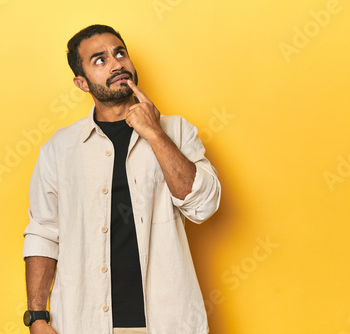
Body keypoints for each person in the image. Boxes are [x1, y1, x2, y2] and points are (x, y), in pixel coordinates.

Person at [22, 24, 221, 334]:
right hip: (82, 321)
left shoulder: (177, 131)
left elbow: (203, 206)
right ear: (82, 82)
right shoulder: (59, 149)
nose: (116, 64)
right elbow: (43, 232)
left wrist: (154, 132)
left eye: (120, 53)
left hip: (167, 321)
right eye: (99, 60)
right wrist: (36, 318)